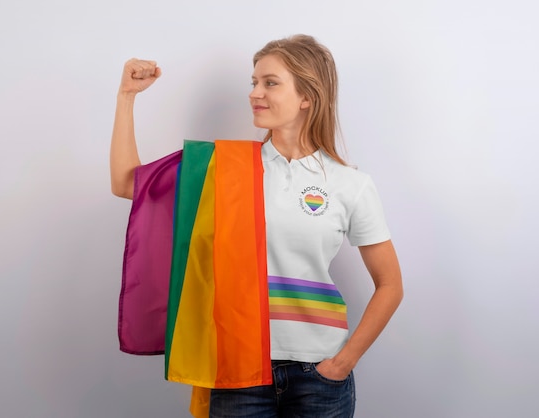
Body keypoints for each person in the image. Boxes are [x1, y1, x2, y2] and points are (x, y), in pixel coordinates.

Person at [110, 34, 403, 418]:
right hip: (238, 372)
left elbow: (390, 285)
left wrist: (343, 362)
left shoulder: (351, 184)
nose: (254, 93)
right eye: (254, 82)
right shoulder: (222, 169)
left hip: (320, 376)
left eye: (270, 82)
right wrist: (126, 97)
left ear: (307, 96)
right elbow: (127, 183)